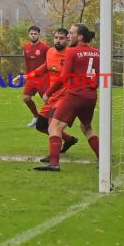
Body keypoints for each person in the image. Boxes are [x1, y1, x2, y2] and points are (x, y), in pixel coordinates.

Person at [34, 23, 100, 172]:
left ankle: (54, 163)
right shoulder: (97, 52)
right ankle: (102, 158)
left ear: (80, 36)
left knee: (54, 127)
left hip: (75, 95)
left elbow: (64, 77)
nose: (69, 36)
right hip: (91, 96)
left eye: (71, 33)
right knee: (87, 127)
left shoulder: (72, 51)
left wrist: (48, 92)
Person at [13, 28, 78, 158]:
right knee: (41, 125)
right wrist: (25, 77)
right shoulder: (50, 52)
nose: (58, 40)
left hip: (65, 97)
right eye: (56, 37)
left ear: (67, 39)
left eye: (61, 38)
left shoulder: (71, 54)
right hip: (53, 96)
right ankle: (69, 140)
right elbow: (43, 69)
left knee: (52, 125)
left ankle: (52, 156)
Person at [21, 25, 49, 127]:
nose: (33, 35)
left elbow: (49, 62)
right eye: (31, 34)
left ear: (39, 35)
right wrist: (26, 76)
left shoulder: (45, 47)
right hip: (32, 78)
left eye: (35, 34)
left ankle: (50, 119)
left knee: (48, 100)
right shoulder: (26, 47)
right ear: (29, 35)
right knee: (26, 98)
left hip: (43, 78)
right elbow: (27, 63)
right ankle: (36, 117)